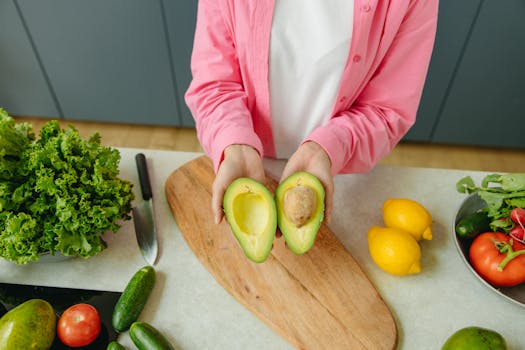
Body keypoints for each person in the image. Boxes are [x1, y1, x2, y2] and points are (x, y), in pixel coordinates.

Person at [185, 0, 438, 225]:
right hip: (242, 160)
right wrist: (234, 143)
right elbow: (215, 82)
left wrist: (328, 148)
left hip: (336, 170)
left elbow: (387, 109)